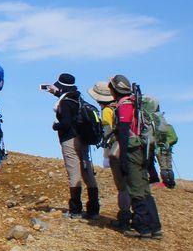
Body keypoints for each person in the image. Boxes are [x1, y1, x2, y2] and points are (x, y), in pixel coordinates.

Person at [110, 75, 162, 239]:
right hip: (142, 150)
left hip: (132, 151)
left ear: (115, 89)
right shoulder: (134, 103)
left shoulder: (124, 105)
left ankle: (143, 227)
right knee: (144, 190)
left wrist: (123, 158)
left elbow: (124, 131)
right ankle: (155, 227)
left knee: (135, 190)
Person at [46, 73, 98, 220]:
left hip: (70, 139)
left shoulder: (66, 102)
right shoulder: (77, 97)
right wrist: (56, 93)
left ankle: (75, 209)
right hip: (83, 138)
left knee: (74, 171)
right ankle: (94, 208)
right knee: (87, 169)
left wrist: (56, 126)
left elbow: (66, 123)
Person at [90, 80, 131, 231]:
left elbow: (107, 130)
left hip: (117, 149)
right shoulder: (122, 106)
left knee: (122, 186)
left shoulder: (107, 110)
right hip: (130, 148)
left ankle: (125, 217)